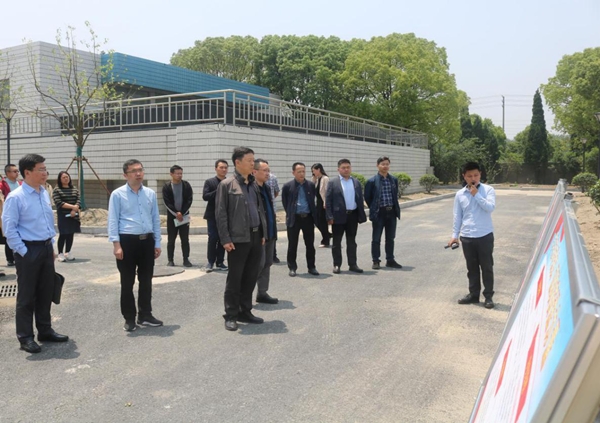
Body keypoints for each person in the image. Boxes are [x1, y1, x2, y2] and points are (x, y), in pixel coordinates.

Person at [2, 154, 68, 354]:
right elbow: (9, 230)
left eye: (45, 169)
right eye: (40, 169)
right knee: (27, 296)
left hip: (46, 248)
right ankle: (25, 337)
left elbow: (47, 224)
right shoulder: (16, 197)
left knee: (46, 292)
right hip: (28, 250)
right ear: (27, 172)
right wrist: (24, 252)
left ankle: (45, 331)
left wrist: (52, 247)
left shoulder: (43, 193)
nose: (45, 172)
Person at [108, 159, 163, 332]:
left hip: (147, 241)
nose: (138, 174)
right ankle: (129, 318)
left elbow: (155, 219)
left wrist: (157, 242)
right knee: (127, 282)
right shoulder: (117, 194)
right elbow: (113, 220)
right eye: (133, 171)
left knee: (146, 281)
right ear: (125, 175)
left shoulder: (150, 194)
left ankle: (145, 314)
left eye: (140, 170)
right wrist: (116, 245)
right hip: (127, 242)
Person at [216, 147, 266, 331]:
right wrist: (225, 239)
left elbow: (259, 210)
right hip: (237, 239)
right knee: (235, 279)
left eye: (253, 160)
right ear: (237, 162)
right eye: (249, 160)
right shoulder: (227, 185)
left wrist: (263, 233)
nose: (253, 163)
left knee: (251, 276)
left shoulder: (253, 184)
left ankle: (245, 311)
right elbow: (220, 214)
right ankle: (231, 315)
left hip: (255, 236)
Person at [449, 162, 496, 309]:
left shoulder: (488, 190)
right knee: (472, 268)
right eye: (469, 176)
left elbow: (490, 207)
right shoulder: (460, 194)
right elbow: (457, 216)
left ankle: (488, 296)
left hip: (484, 235)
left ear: (480, 174)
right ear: (464, 176)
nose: (473, 178)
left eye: (476, 175)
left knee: (487, 267)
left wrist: (476, 195)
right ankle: (473, 295)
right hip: (467, 236)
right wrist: (454, 235)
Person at [326, 158, 367, 274]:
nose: (346, 170)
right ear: (338, 169)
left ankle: (353, 264)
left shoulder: (356, 182)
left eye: (348, 167)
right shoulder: (333, 182)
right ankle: (337, 264)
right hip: (338, 217)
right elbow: (328, 201)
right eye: (343, 168)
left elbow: (359, 199)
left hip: (352, 216)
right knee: (336, 242)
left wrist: (361, 214)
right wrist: (329, 217)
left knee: (352, 241)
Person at [364, 156, 403, 270]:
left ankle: (390, 260)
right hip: (379, 213)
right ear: (377, 166)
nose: (385, 166)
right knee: (376, 238)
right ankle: (376, 260)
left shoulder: (393, 179)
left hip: (391, 212)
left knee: (390, 238)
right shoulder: (371, 181)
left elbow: (394, 195)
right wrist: (375, 208)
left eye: (387, 164)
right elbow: (368, 197)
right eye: (383, 164)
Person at [281, 162, 319, 277]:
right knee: (292, 245)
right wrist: (291, 213)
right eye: (299, 172)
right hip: (294, 219)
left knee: (310, 244)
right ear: (293, 173)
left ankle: (311, 267)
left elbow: (312, 200)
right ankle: (292, 267)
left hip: (308, 218)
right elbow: (285, 203)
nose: (302, 174)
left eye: (303, 171)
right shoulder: (287, 186)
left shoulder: (310, 185)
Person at [253, 159, 279, 304]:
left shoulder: (267, 187)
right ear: (254, 172)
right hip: (259, 235)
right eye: (265, 170)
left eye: (268, 170)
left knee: (267, 263)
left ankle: (262, 293)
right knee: (258, 265)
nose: (268, 173)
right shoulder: (251, 188)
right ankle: (244, 297)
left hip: (270, 232)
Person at [163, 165, 193, 267]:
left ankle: (186, 259)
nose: (179, 175)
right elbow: (167, 202)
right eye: (177, 173)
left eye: (181, 173)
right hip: (172, 216)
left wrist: (182, 212)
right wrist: (176, 213)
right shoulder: (167, 186)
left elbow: (189, 200)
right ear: (171, 174)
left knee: (185, 239)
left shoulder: (186, 185)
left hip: (184, 216)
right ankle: (170, 260)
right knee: (171, 239)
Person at [203, 159, 228, 272]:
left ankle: (220, 262)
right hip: (212, 215)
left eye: (225, 168)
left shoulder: (229, 182)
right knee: (213, 238)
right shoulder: (210, 182)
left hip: (226, 215)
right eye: (221, 167)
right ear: (216, 169)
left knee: (223, 238)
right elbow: (205, 196)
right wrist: (219, 190)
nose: (223, 169)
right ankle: (210, 262)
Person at [52, 171, 81, 262]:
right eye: (63, 177)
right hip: (63, 216)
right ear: (60, 179)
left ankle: (68, 252)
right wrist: (73, 207)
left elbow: (78, 200)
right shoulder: (57, 190)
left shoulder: (74, 189)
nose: (66, 179)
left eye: (67, 177)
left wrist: (74, 210)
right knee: (63, 234)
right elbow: (59, 202)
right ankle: (60, 253)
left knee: (70, 234)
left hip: (74, 215)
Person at [1, 164, 22, 266]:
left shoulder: (20, 183)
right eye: (14, 171)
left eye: (17, 171)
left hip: (20, 213)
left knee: (20, 235)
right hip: (8, 213)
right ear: (8, 173)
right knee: (9, 235)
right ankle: (10, 258)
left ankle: (19, 255)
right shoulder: (2, 185)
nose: (17, 173)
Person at [311, 163, 331, 248]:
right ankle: (328, 234)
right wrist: (314, 178)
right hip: (318, 203)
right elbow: (311, 188)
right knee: (316, 220)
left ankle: (325, 240)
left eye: (314, 170)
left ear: (319, 169)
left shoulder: (325, 178)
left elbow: (327, 191)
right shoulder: (316, 179)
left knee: (323, 222)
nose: (313, 172)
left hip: (323, 202)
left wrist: (325, 202)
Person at [266, 171, 281, 263]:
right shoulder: (252, 177)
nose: (266, 172)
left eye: (267, 170)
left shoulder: (273, 178)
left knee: (272, 234)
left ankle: (273, 255)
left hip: (271, 209)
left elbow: (276, 191)